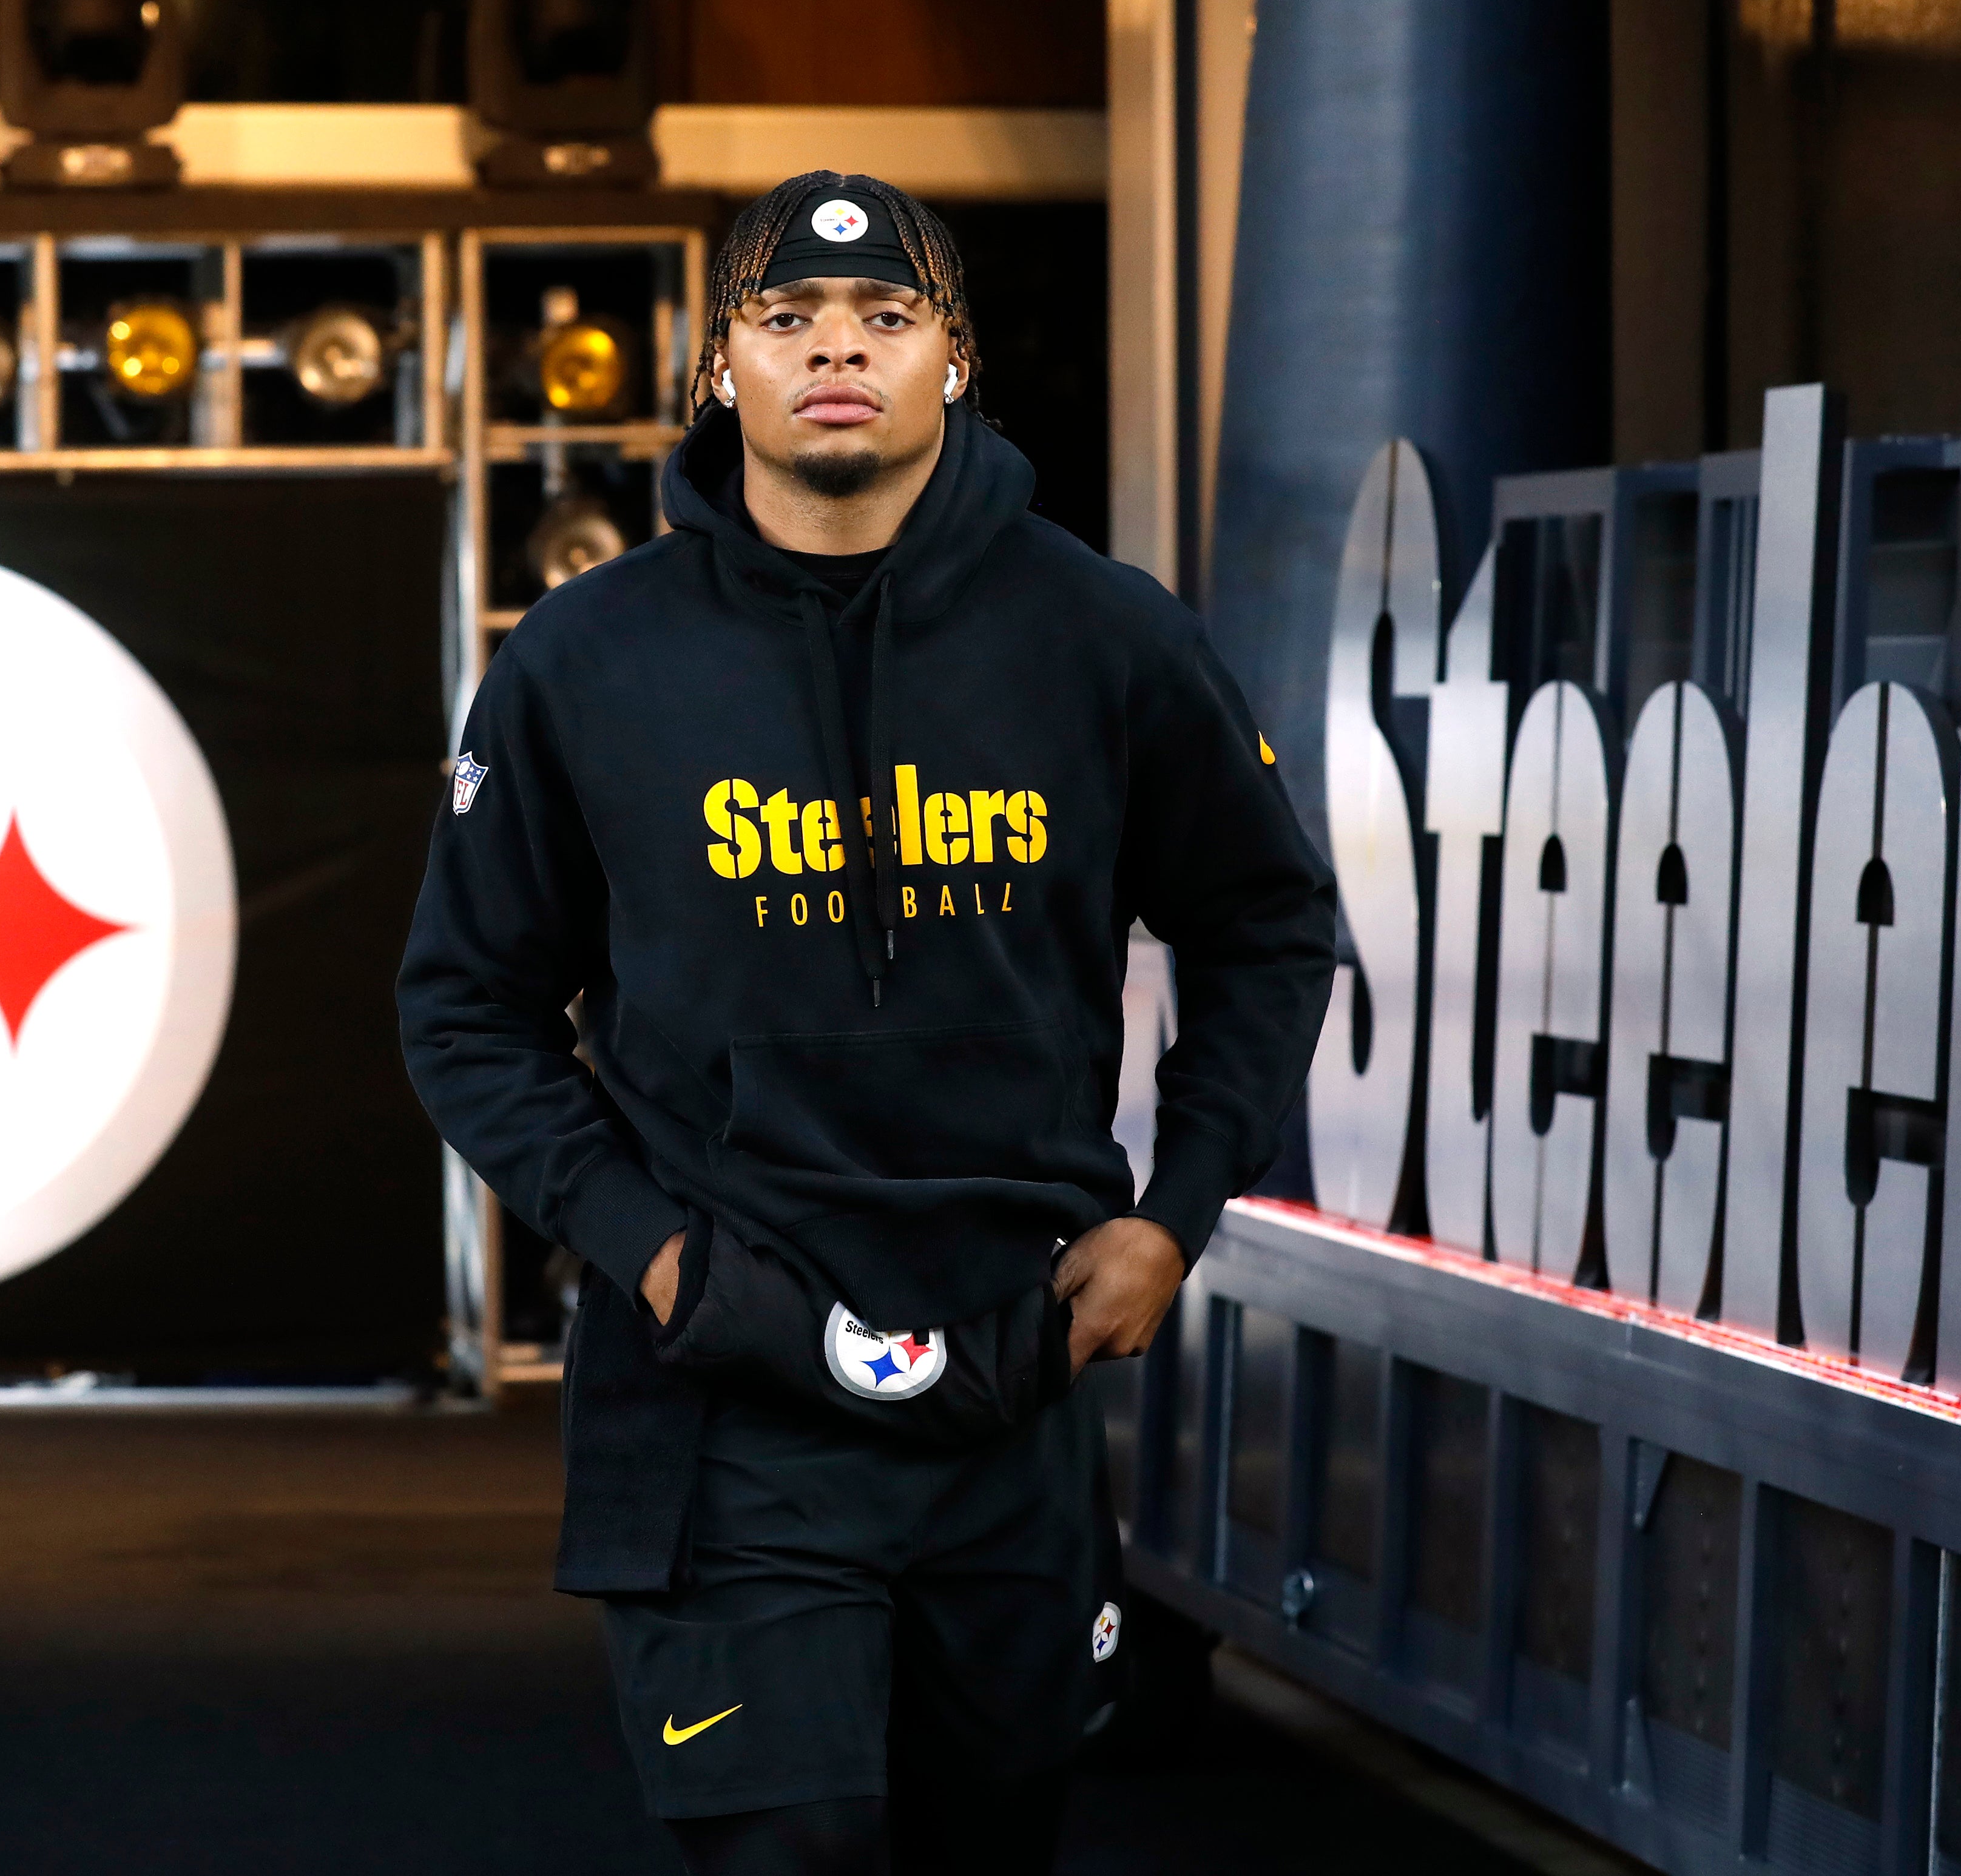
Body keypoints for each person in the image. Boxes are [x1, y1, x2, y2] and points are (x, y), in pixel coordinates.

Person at [398, 170, 1335, 1875]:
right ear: (719, 368)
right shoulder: (586, 658)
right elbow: (466, 1004)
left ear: (954, 359)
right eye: (787, 318)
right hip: (725, 1377)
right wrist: (651, 1250)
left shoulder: (1105, 634)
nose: (837, 349)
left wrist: (1173, 1214)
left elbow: (1265, 926)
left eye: (886, 317)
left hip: (1016, 1365)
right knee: (797, 1848)